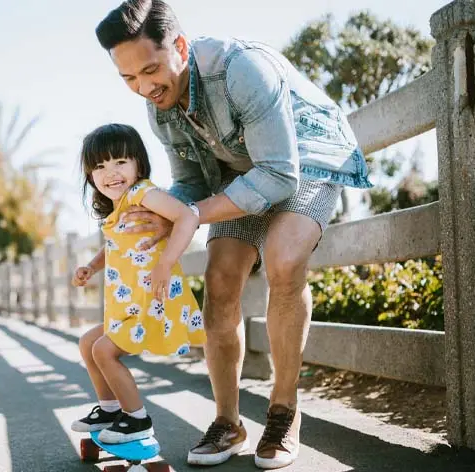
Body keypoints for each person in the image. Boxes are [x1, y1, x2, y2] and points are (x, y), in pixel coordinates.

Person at [95, 1, 373, 468]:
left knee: (284, 260)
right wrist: (169, 210)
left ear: (180, 47)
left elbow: (281, 176)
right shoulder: (159, 107)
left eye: (151, 70)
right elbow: (191, 181)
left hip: (306, 163)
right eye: (129, 80)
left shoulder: (241, 69)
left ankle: (284, 411)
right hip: (239, 175)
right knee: (221, 281)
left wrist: (188, 214)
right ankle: (228, 422)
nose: (144, 88)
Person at [70, 123, 206, 444]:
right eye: (99, 166)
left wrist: (166, 262)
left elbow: (187, 216)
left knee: (104, 351)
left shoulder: (142, 193)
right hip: (130, 305)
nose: (110, 172)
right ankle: (109, 408)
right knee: (89, 343)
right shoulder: (120, 207)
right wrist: (91, 266)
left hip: (152, 301)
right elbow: (116, 244)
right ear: (90, 176)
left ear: (138, 163)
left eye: (120, 161)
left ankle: (137, 419)